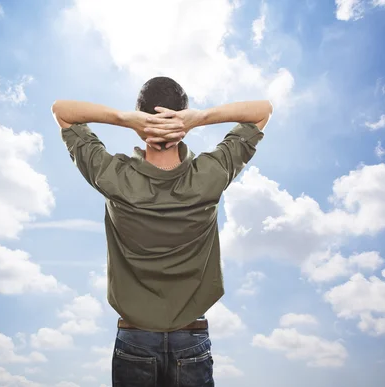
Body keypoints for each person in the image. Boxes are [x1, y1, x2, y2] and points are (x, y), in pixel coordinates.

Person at [52, 76, 273, 387]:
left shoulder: (115, 177)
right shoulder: (210, 175)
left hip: (134, 336)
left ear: (141, 117)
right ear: (182, 116)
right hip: (192, 335)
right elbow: (263, 111)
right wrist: (200, 118)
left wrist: (125, 119)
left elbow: (62, 111)